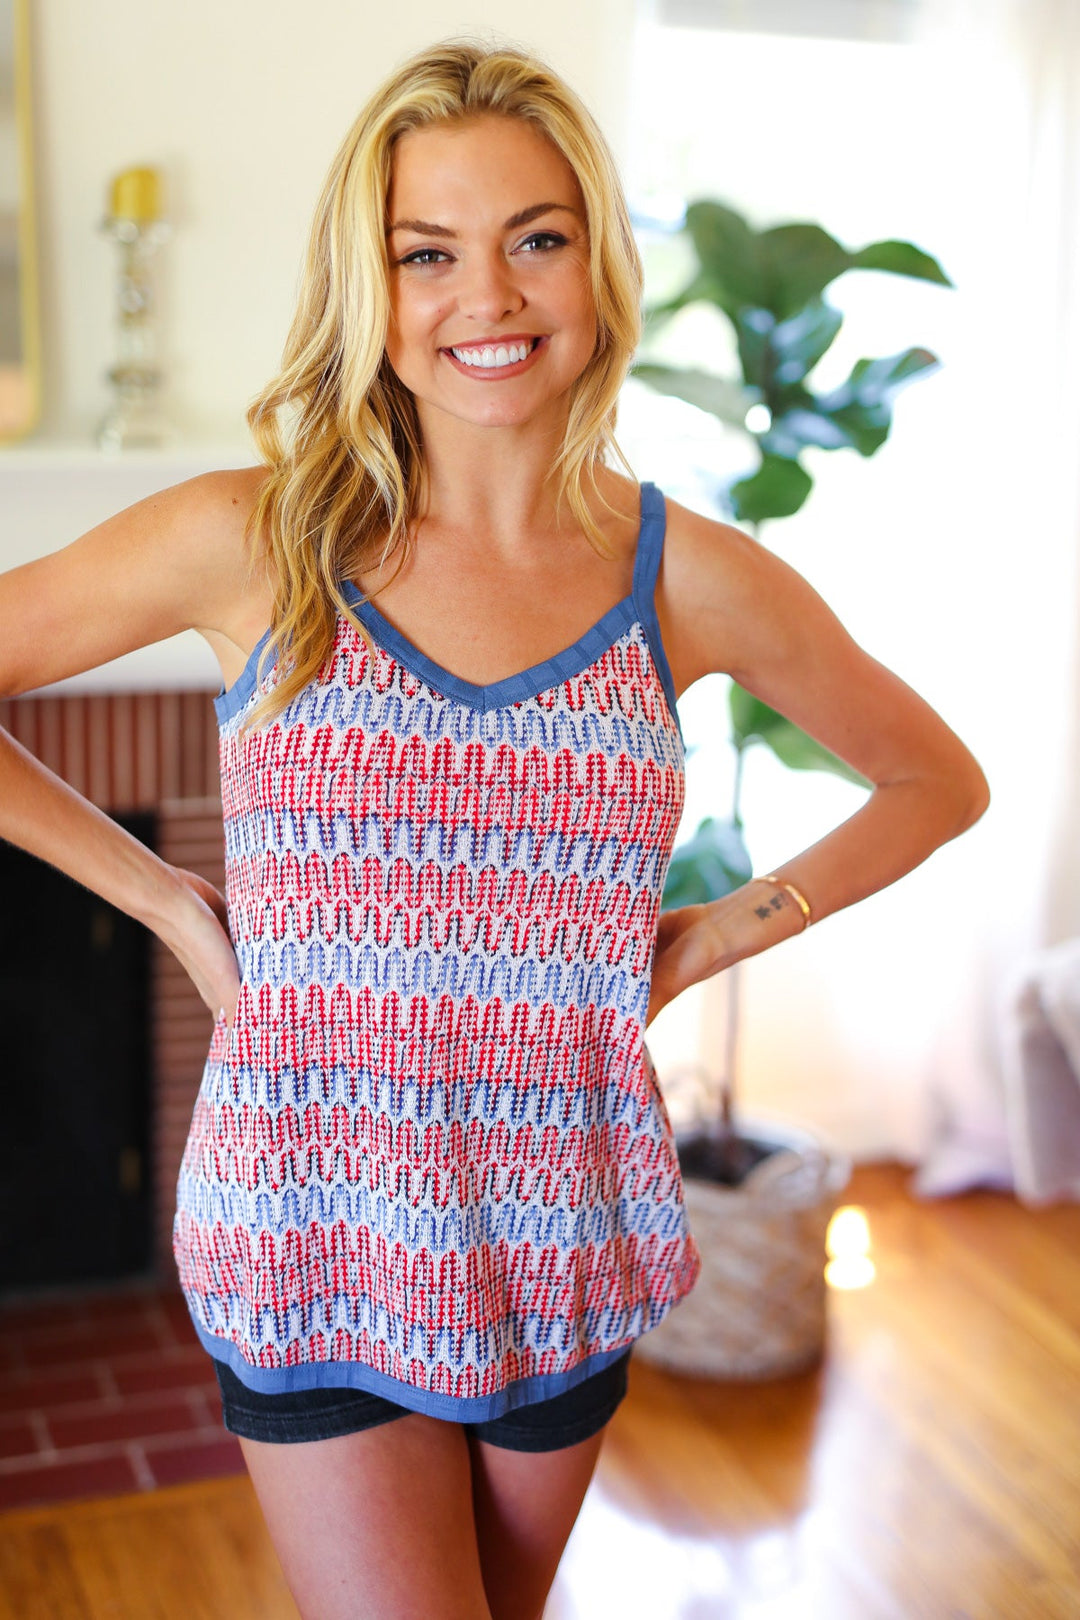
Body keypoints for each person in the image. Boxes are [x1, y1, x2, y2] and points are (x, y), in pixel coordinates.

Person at [0, 37, 989, 1620]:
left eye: (536, 238)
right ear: (370, 287)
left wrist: (726, 930)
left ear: (597, 260)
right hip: (312, 1217)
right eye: (427, 253)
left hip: (563, 1227)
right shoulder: (250, 543)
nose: (491, 297)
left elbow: (937, 780)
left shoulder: (692, 577)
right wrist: (170, 900)